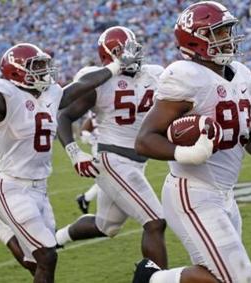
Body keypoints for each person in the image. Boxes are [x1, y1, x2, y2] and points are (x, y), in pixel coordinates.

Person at [0, 21, 138, 283]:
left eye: (43, 64)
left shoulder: (50, 93)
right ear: (16, 71)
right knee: (47, 256)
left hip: (40, 188)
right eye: (37, 66)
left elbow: (81, 86)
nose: (45, 70)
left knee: (37, 262)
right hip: (11, 185)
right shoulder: (3, 97)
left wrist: (115, 66)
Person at [133, 2, 251, 283]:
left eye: (228, 31)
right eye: (219, 32)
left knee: (217, 276)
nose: (228, 38)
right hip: (192, 191)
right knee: (240, 278)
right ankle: (151, 279)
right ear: (196, 38)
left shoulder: (241, 75)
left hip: (225, 194)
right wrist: (188, 153)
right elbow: (144, 140)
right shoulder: (185, 75)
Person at [55, 26, 168, 269]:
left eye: (132, 48)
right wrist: (74, 153)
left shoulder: (155, 74)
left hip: (138, 161)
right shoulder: (98, 80)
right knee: (155, 221)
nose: (131, 55)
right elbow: (63, 116)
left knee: (107, 226)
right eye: (121, 51)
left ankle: (55, 239)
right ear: (108, 56)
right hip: (112, 160)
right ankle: (157, 278)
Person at [76, 110, 100, 214]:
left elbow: (83, 134)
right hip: (103, 146)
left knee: (108, 179)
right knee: (108, 180)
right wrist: (94, 141)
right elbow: (84, 133)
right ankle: (85, 199)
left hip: (104, 145)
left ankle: (85, 198)